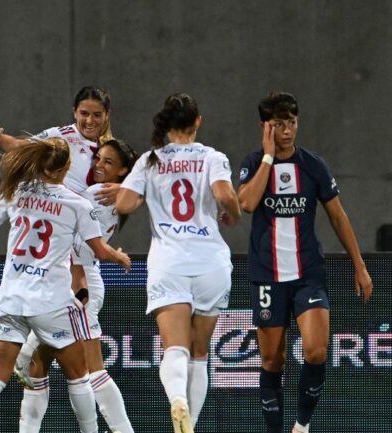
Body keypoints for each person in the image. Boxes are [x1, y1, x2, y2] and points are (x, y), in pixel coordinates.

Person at [0, 138, 131, 433]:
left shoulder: (17, 190)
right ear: (67, 166)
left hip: (11, 299)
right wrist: (119, 256)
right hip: (50, 303)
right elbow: (99, 250)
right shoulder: (77, 204)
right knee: (79, 375)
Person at [237, 92, 373, 433]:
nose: (287, 131)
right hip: (268, 276)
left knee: (315, 351)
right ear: (265, 127)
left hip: (308, 274)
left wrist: (359, 265)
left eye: (292, 123)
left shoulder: (313, 165)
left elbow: (338, 217)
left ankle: (302, 425)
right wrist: (268, 158)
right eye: (278, 124)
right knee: (272, 360)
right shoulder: (253, 163)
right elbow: (247, 204)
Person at [0, 85, 120, 386]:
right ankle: (20, 360)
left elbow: (136, 183)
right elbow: (22, 147)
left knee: (63, 308)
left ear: (107, 116)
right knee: (82, 304)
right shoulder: (61, 137)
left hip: (79, 243)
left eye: (96, 115)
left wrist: (123, 189)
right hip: (66, 244)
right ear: (74, 112)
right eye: (84, 113)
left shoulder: (111, 150)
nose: (89, 120)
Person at [116, 93, 241, 433]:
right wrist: (234, 214)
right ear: (197, 121)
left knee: (174, 347)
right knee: (200, 353)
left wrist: (143, 192)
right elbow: (224, 195)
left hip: (169, 262)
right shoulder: (212, 157)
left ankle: (177, 399)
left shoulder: (150, 160)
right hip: (210, 263)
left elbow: (124, 204)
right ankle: (191, 424)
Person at [18, 139, 138, 433]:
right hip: (70, 278)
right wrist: (131, 188)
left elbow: (66, 220)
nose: (98, 165)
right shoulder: (115, 196)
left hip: (79, 281)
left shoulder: (97, 194)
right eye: (99, 158)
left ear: (124, 170)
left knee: (90, 370)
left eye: (108, 162)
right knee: (39, 364)